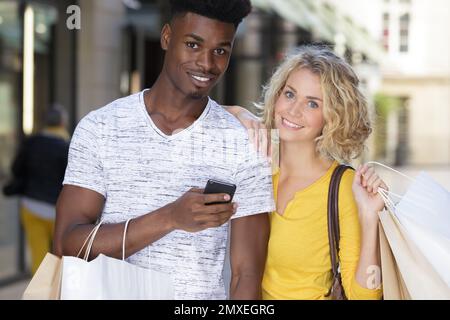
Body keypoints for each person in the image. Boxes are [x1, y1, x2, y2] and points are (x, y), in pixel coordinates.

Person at [54, 0, 275, 300]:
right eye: (193, 45)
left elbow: (245, 275)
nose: (207, 64)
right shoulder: (101, 127)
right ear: (167, 37)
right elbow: (67, 245)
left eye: (220, 51)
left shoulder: (244, 143)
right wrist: (170, 217)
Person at [225, 45, 386, 299]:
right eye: (290, 94)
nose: (293, 110)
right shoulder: (258, 160)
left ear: (333, 117)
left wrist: (369, 219)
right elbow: (195, 117)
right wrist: (240, 114)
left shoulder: (342, 186)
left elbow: (364, 296)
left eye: (312, 103)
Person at [4, 106, 70, 275]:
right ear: (63, 123)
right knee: (61, 255)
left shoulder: (31, 143)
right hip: (58, 211)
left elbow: (16, 169)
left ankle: (41, 292)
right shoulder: (67, 146)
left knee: (38, 255)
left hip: (31, 206)